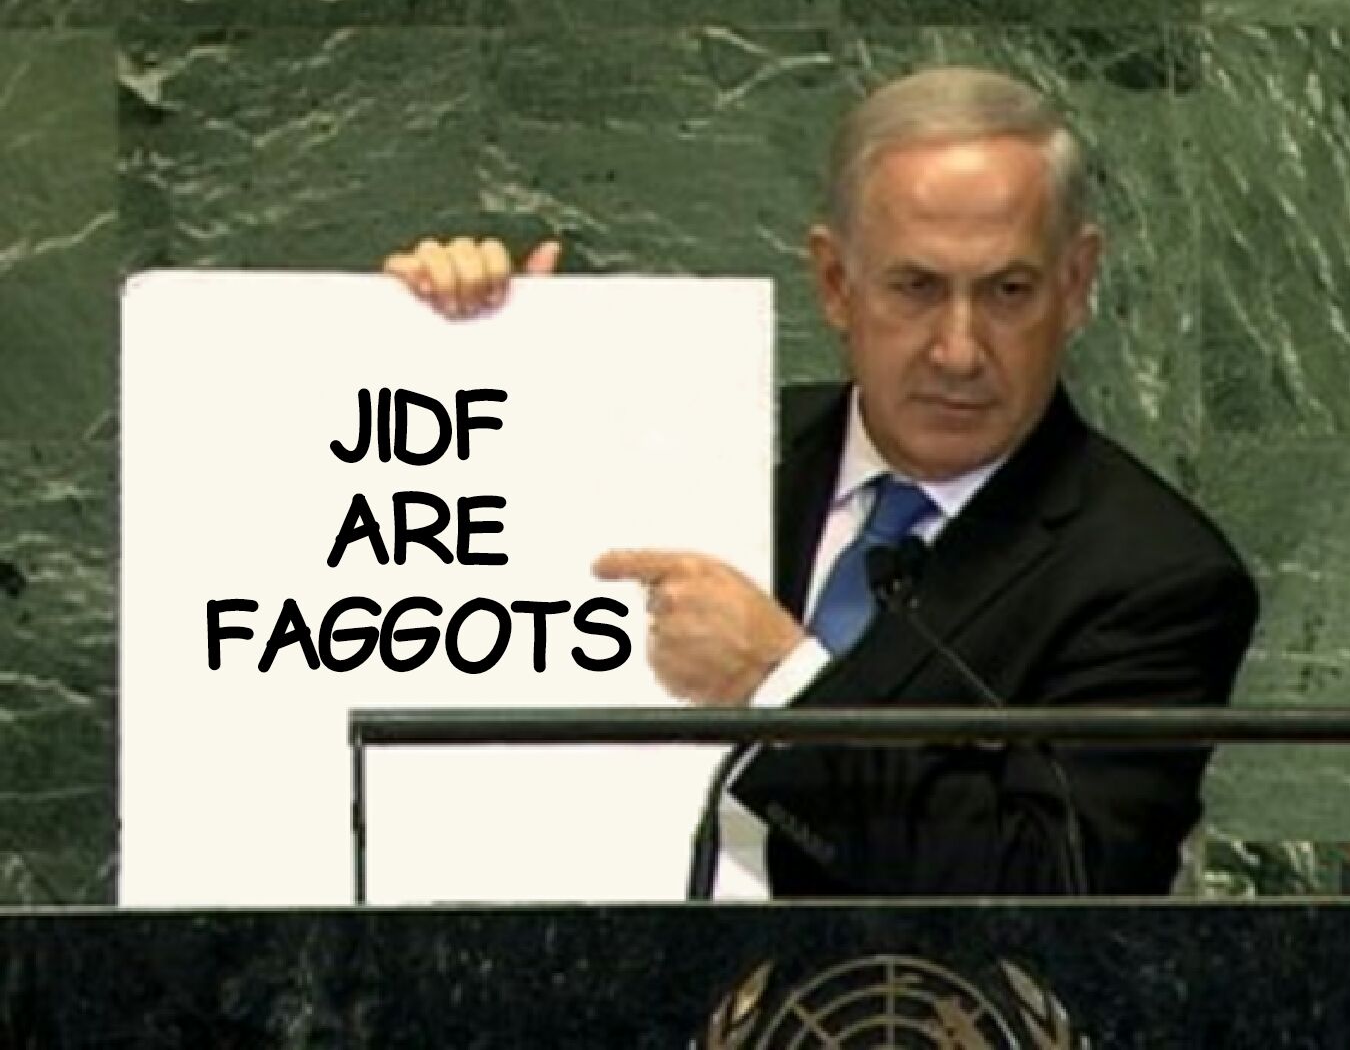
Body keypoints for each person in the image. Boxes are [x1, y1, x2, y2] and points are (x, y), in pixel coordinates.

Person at [384, 67, 1259, 896]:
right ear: (836, 282)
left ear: (1075, 284)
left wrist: (783, 686)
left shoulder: (1156, 574)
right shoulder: (710, 450)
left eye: (1008, 291)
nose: (959, 350)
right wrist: (484, 362)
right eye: (916, 287)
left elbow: (1052, 890)